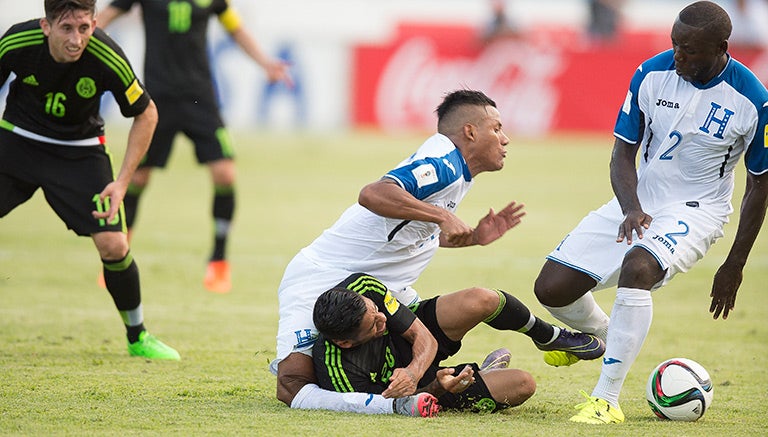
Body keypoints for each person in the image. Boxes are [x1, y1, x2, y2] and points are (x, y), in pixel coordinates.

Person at [272, 89, 603, 416]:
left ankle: (545, 337)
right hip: (323, 279)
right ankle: (432, 391)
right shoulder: (443, 164)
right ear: (470, 132)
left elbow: (409, 233)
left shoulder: (458, 173)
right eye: (497, 128)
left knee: (479, 300)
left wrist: (472, 237)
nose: (505, 139)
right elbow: (374, 193)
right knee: (294, 385)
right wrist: (443, 216)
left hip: (383, 294)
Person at [531, 1, 768, 424]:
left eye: (690, 50)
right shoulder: (650, 73)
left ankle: (606, 400)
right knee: (551, 288)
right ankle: (605, 337)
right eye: (675, 44)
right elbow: (622, 153)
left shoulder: (753, 99)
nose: (678, 56)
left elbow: (760, 183)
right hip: (640, 201)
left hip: (698, 210)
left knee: (637, 267)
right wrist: (632, 208)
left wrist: (735, 263)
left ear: (721, 48)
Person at [0, 0, 180, 360]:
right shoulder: (15, 43)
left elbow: (147, 114)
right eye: (67, 29)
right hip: (17, 141)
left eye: (84, 28)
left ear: (94, 24)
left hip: (79, 153)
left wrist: (122, 182)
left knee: (114, 245)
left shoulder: (106, 55)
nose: (77, 39)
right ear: (45, 26)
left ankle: (137, 336)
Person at [97, 0, 292, 293]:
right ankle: (118, 254)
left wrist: (265, 62)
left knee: (225, 174)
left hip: (200, 99)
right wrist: (81, 39)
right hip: (157, 100)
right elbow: (105, 17)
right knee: (138, 177)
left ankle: (218, 260)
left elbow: (236, 29)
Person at [312, 273, 606, 416]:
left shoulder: (363, 288)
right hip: (421, 387)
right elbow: (397, 406)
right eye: (374, 326)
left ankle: (549, 336)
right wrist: (437, 387)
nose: (382, 320)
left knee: (481, 298)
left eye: (377, 311)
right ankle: (473, 376)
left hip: (413, 348)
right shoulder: (338, 374)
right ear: (344, 342)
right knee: (522, 383)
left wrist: (413, 370)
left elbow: (421, 335)